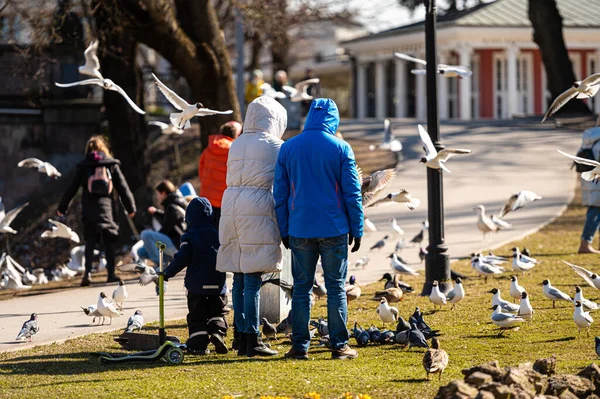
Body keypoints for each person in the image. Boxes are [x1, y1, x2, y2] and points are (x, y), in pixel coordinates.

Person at [274, 98, 363, 360]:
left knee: (301, 288)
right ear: (333, 119)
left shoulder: (289, 148)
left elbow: (280, 194)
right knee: (335, 287)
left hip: (299, 228)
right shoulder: (341, 148)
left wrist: (284, 229)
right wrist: (356, 228)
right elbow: (352, 194)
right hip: (334, 227)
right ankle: (339, 345)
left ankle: (299, 345)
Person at [216, 96, 287, 357]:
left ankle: (240, 335)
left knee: (238, 275)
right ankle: (253, 338)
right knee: (254, 278)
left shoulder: (237, 143)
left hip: (231, 204)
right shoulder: (276, 146)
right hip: (257, 206)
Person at [58, 135, 136, 286]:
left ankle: (87, 273)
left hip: (89, 207)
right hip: (106, 207)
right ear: (103, 148)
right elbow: (123, 187)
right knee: (109, 241)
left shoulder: (85, 166)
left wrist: (62, 207)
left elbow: (72, 188)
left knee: (90, 240)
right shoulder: (110, 164)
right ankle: (111, 274)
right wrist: (130, 207)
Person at [163, 197, 228, 354]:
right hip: (217, 284)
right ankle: (217, 332)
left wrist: (167, 273)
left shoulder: (190, 236)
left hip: (196, 287)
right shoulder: (218, 235)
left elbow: (181, 259)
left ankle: (198, 344)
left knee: (197, 316)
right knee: (217, 312)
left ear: (189, 218)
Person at [198, 121, 242, 227]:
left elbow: (201, 170)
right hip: (225, 200)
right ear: (236, 135)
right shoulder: (234, 150)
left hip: (206, 197)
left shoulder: (208, 149)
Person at [137, 180, 187, 264]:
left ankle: (160, 264)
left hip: (178, 245)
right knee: (141, 252)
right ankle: (163, 264)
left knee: (145, 235)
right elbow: (167, 218)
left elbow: (165, 230)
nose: (157, 197)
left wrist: (152, 240)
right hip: (176, 243)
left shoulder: (172, 208)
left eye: (158, 194)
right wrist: (156, 212)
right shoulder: (175, 204)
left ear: (163, 193)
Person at [579, 119, 600, 253]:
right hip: (598, 179)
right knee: (594, 211)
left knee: (595, 210)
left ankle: (586, 243)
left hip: (590, 179)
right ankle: (585, 244)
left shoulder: (590, 136)